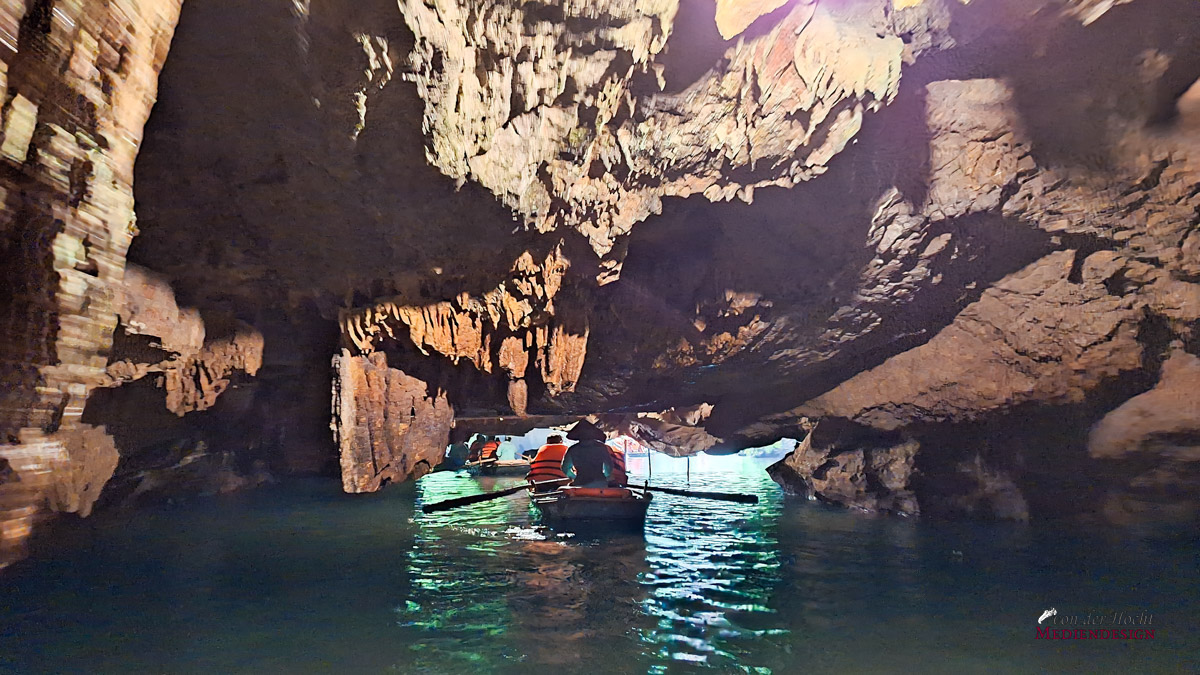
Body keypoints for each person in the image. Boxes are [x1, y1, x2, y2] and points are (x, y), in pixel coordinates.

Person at [561, 420, 612, 488]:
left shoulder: (573, 449)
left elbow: (565, 468)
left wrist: (575, 477)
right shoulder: (602, 447)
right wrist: (603, 476)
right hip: (600, 484)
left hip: (580, 483)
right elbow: (609, 467)